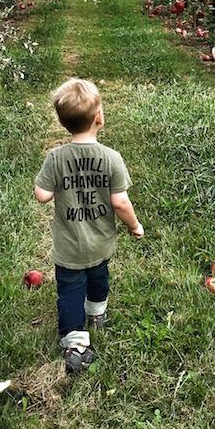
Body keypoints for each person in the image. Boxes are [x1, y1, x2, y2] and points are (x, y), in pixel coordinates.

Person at [34, 78, 144, 373]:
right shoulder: (111, 159)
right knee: (99, 279)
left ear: (62, 123)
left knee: (70, 291)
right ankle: (97, 316)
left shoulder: (56, 158)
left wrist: (55, 185)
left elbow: (42, 195)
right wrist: (135, 226)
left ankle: (75, 344)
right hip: (100, 242)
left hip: (69, 246)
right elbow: (120, 202)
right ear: (99, 117)